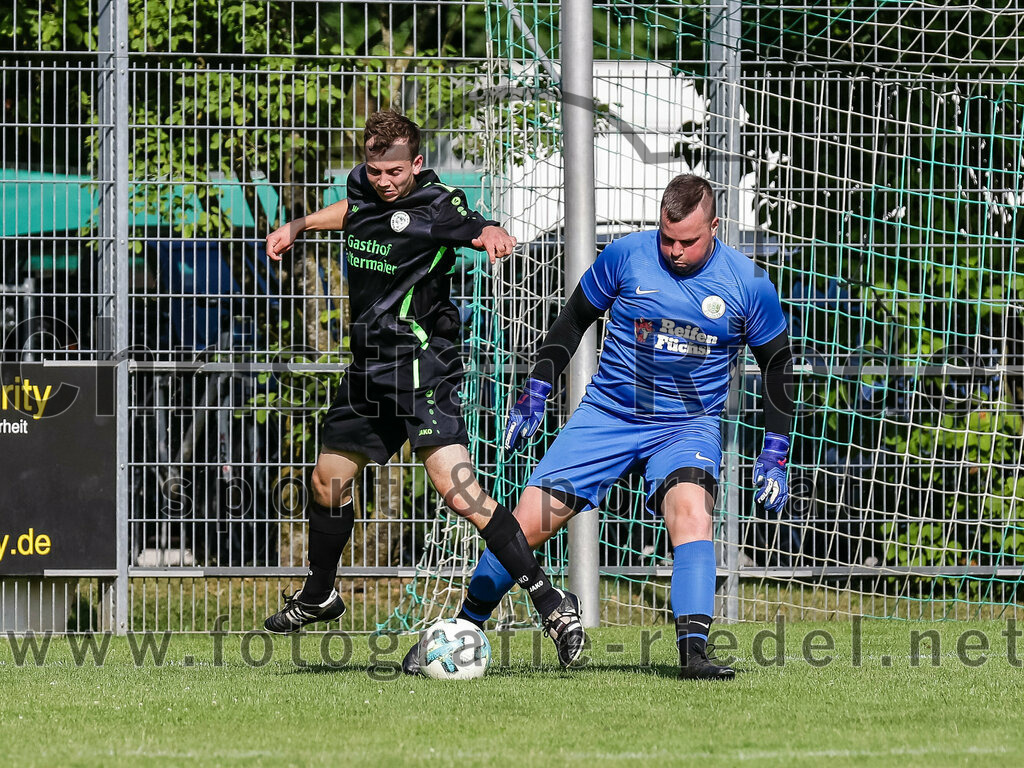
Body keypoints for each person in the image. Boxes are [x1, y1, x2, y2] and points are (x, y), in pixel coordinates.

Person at [403, 173, 793, 679]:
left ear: (715, 227)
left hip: (686, 426)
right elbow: (572, 320)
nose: (674, 251)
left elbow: (779, 364)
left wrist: (775, 451)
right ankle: (456, 632)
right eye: (666, 238)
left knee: (691, 514)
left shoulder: (749, 284)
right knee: (524, 525)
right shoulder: (627, 255)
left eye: (688, 241)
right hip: (607, 416)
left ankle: (694, 654)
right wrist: (536, 391)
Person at [262, 110, 585, 668]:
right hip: (367, 371)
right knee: (327, 480)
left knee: (461, 494)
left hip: (419, 371)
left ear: (416, 163)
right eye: (375, 169)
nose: (384, 181)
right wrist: (301, 226)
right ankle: (319, 593)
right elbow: (355, 211)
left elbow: (474, 225)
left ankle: (552, 602)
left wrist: (492, 235)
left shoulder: (438, 206)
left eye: (395, 172)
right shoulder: (365, 187)